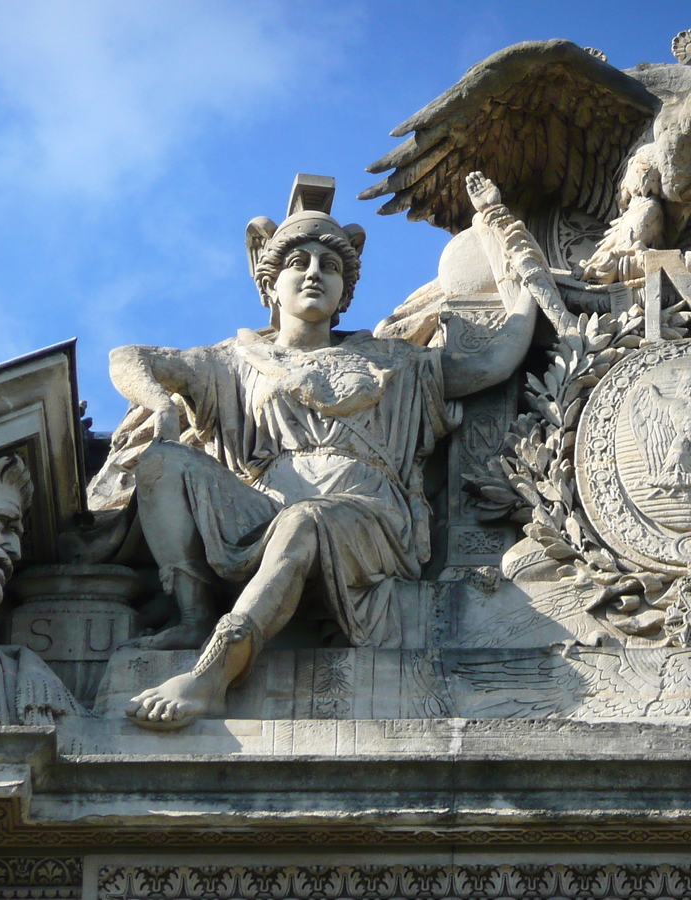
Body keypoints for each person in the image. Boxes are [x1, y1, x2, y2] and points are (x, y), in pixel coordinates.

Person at [111, 173, 538, 730]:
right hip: (261, 506)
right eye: (299, 263)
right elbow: (129, 357)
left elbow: (495, 360)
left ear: (345, 292)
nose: (315, 273)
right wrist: (160, 407)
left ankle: (213, 673)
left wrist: (519, 260)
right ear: (270, 284)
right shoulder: (231, 362)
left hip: (369, 519)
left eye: (330, 267)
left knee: (305, 521)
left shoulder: (395, 364)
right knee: (163, 461)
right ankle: (193, 616)